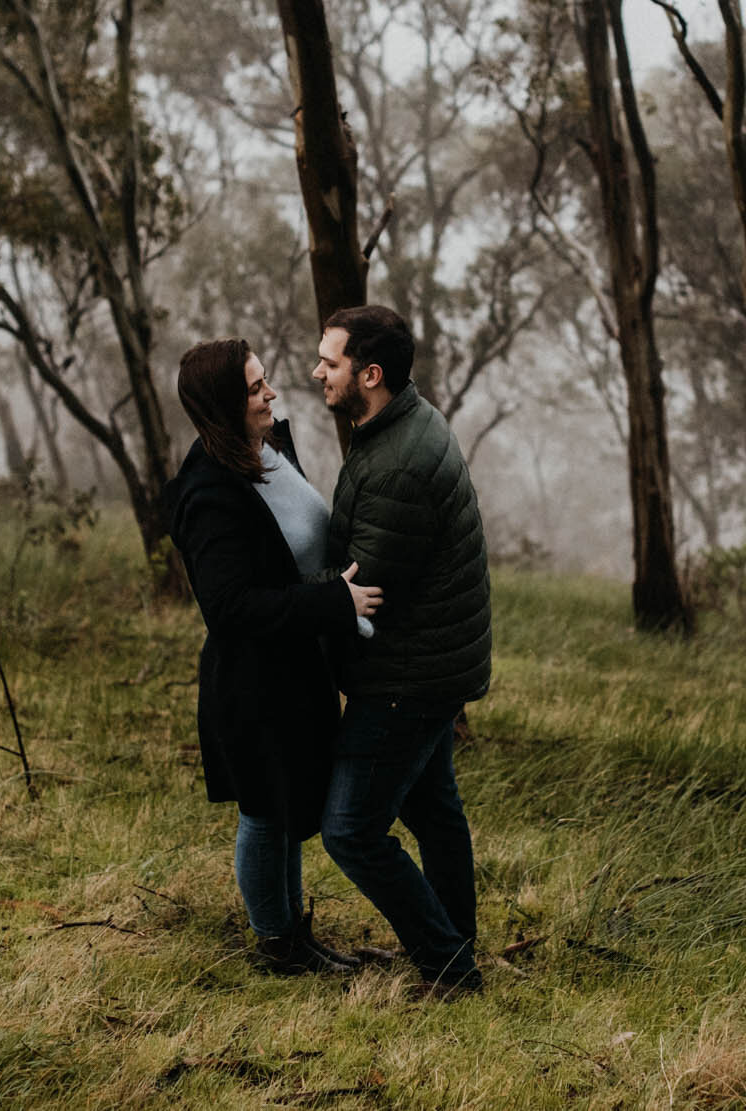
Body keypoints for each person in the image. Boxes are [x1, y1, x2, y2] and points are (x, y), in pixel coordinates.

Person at [161, 338, 381, 975]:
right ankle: (276, 946)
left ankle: (294, 935)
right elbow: (231, 608)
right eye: (256, 389)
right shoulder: (208, 493)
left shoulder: (270, 449)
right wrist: (335, 604)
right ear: (225, 407)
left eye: (264, 382)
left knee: (290, 808)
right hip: (253, 684)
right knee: (264, 811)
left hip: (297, 668)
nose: (271, 393)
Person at [311, 305, 492, 997]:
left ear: (371, 374)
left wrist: (300, 596)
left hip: (408, 677)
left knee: (351, 830)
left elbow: (364, 585)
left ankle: (451, 966)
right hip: (432, 663)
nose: (318, 371)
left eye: (330, 362)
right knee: (433, 809)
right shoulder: (397, 424)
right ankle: (457, 947)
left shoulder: (398, 466)